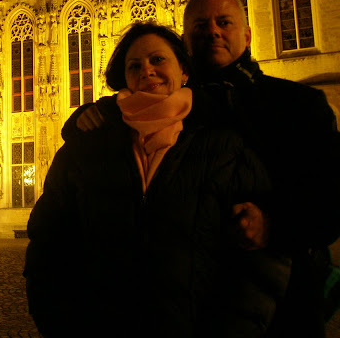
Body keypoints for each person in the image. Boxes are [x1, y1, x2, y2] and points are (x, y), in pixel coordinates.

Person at [69, 0, 340, 337]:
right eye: (200, 25)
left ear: (247, 34)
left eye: (223, 22)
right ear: (185, 42)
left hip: (282, 305)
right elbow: (126, 107)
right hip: (191, 309)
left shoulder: (300, 104)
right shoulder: (174, 104)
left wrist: (273, 224)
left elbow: (331, 202)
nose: (212, 31)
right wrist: (84, 116)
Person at [24, 22, 290, 337]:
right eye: (134, 65)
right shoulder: (87, 144)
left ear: (185, 71)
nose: (147, 70)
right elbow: (48, 247)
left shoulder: (223, 146)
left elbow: (260, 263)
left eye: (158, 60)